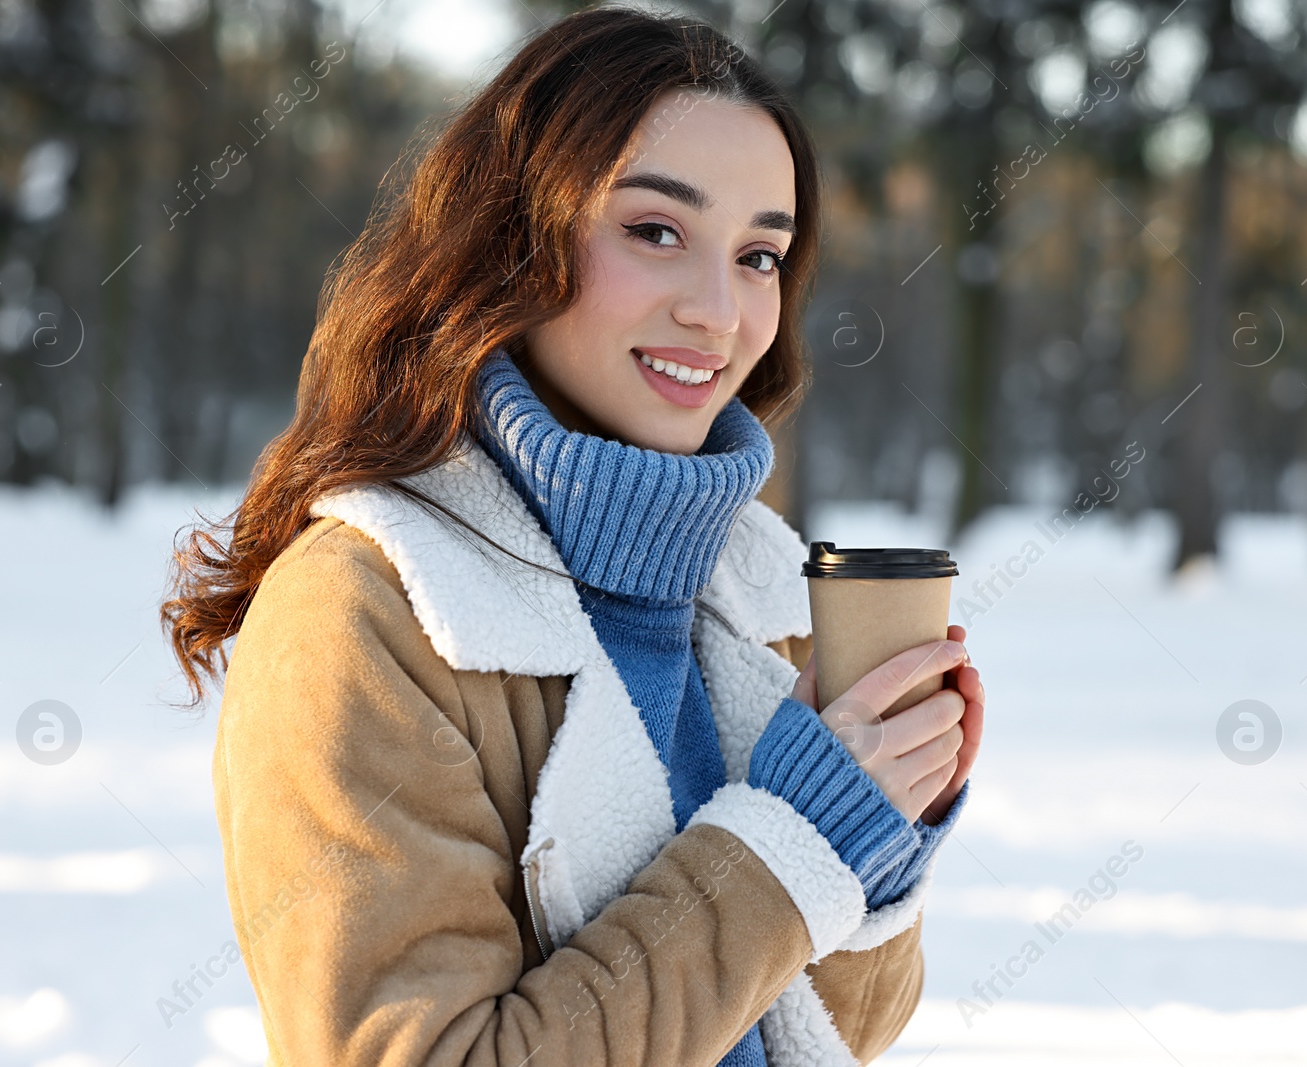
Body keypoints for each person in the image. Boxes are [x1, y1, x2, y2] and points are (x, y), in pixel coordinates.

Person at [163, 8, 985, 1064]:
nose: (719, 311)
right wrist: (794, 840)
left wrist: (878, 820)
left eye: (759, 255)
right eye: (655, 231)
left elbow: (823, 1033)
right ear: (511, 239)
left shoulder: (757, 588)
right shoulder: (367, 609)